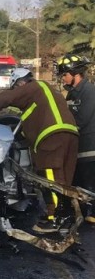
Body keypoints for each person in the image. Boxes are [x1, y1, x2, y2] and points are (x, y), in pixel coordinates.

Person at [0, 67, 79, 232]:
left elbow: (6, 99)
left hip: (51, 138)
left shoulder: (31, 87)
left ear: (20, 83)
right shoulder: (45, 91)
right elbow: (27, 119)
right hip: (71, 135)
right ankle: (65, 219)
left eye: (15, 88)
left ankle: (53, 219)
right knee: (64, 180)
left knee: (50, 179)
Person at [56, 52, 95, 220]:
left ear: (75, 74)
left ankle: (91, 213)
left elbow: (82, 119)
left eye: (65, 74)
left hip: (90, 146)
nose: (63, 78)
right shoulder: (72, 93)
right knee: (77, 182)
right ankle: (79, 213)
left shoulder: (90, 92)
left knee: (89, 183)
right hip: (76, 146)